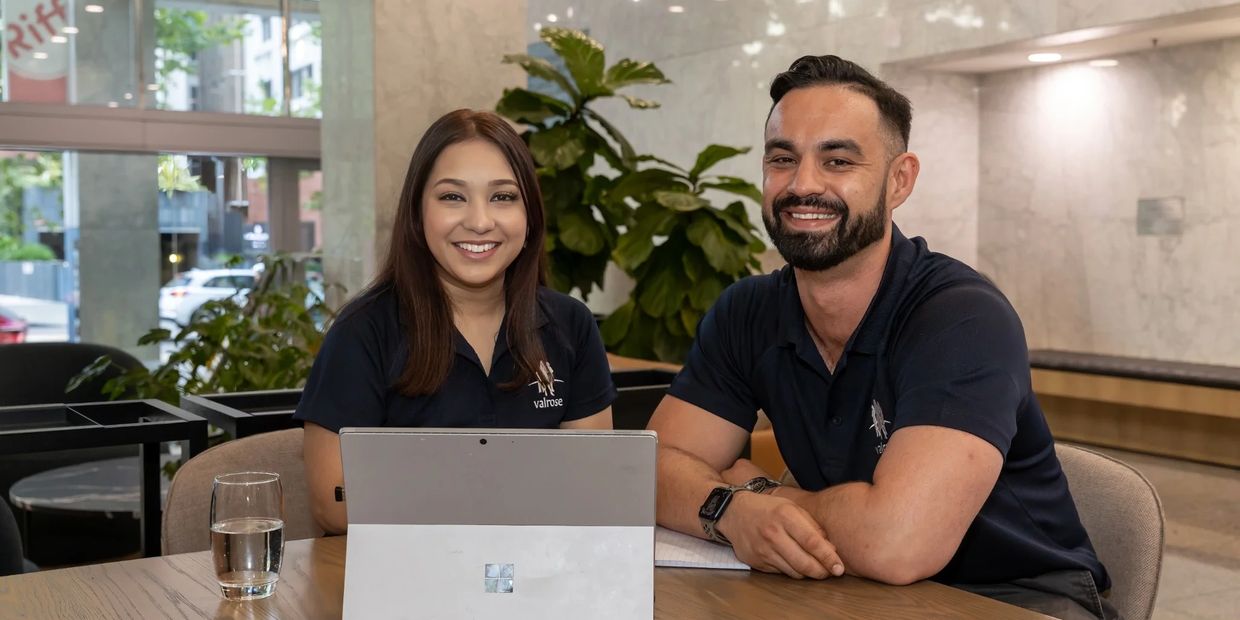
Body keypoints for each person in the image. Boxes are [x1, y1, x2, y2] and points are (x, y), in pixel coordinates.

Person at [649, 56, 1116, 620]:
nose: (802, 185)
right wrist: (725, 507)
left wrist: (763, 495)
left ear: (900, 180)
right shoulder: (747, 312)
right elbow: (648, 471)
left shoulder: (961, 318)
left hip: (1019, 597)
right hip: (851, 584)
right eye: (782, 159)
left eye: (838, 160)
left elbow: (898, 544)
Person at [296, 109, 616, 535]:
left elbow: (594, 484)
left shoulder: (570, 324)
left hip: (542, 575)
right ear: (417, 212)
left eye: (503, 197)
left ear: (530, 215)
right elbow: (333, 505)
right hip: (408, 579)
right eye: (452, 197)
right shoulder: (363, 332)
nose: (480, 221)